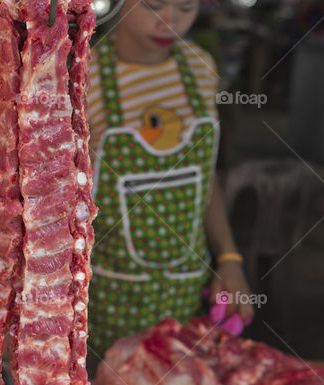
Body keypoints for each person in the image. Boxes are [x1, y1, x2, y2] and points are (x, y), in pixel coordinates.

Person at [85, 0, 253, 357]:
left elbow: (204, 179)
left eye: (187, 7)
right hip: (105, 293)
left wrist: (230, 259)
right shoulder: (85, 75)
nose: (170, 22)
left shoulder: (199, 67)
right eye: (154, 6)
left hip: (186, 288)